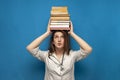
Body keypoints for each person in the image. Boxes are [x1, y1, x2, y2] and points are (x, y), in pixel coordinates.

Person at [26, 21, 92, 80]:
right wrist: (47, 33)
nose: (59, 40)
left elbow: (88, 49)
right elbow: (30, 48)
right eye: (56, 37)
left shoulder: (72, 55)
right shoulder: (46, 55)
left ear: (65, 40)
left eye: (62, 37)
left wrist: (72, 33)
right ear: (53, 42)